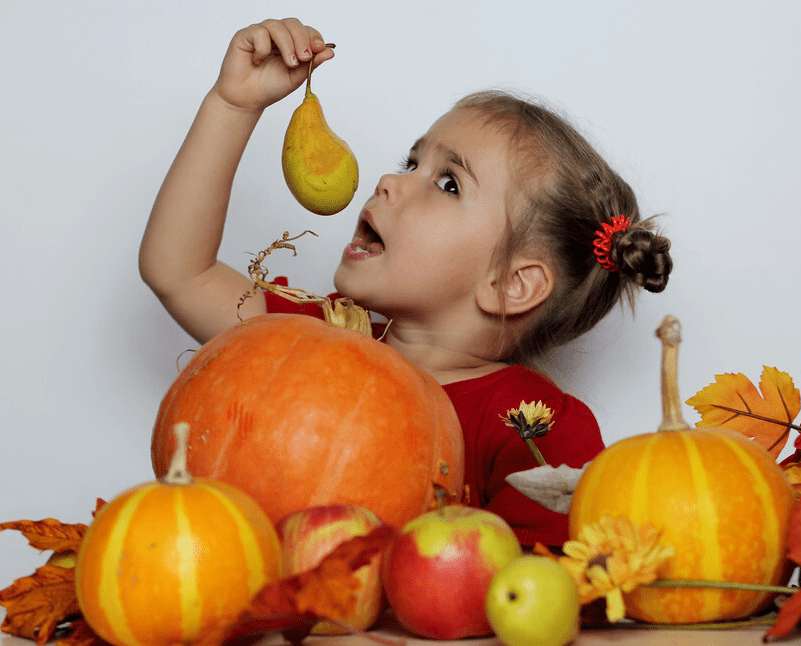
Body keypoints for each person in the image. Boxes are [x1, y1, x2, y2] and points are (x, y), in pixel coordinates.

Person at [139, 18, 673, 547]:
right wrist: (232, 106)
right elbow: (181, 273)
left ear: (511, 284)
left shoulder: (534, 427)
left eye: (447, 183)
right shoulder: (316, 341)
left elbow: (544, 588)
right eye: (410, 161)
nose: (389, 181)